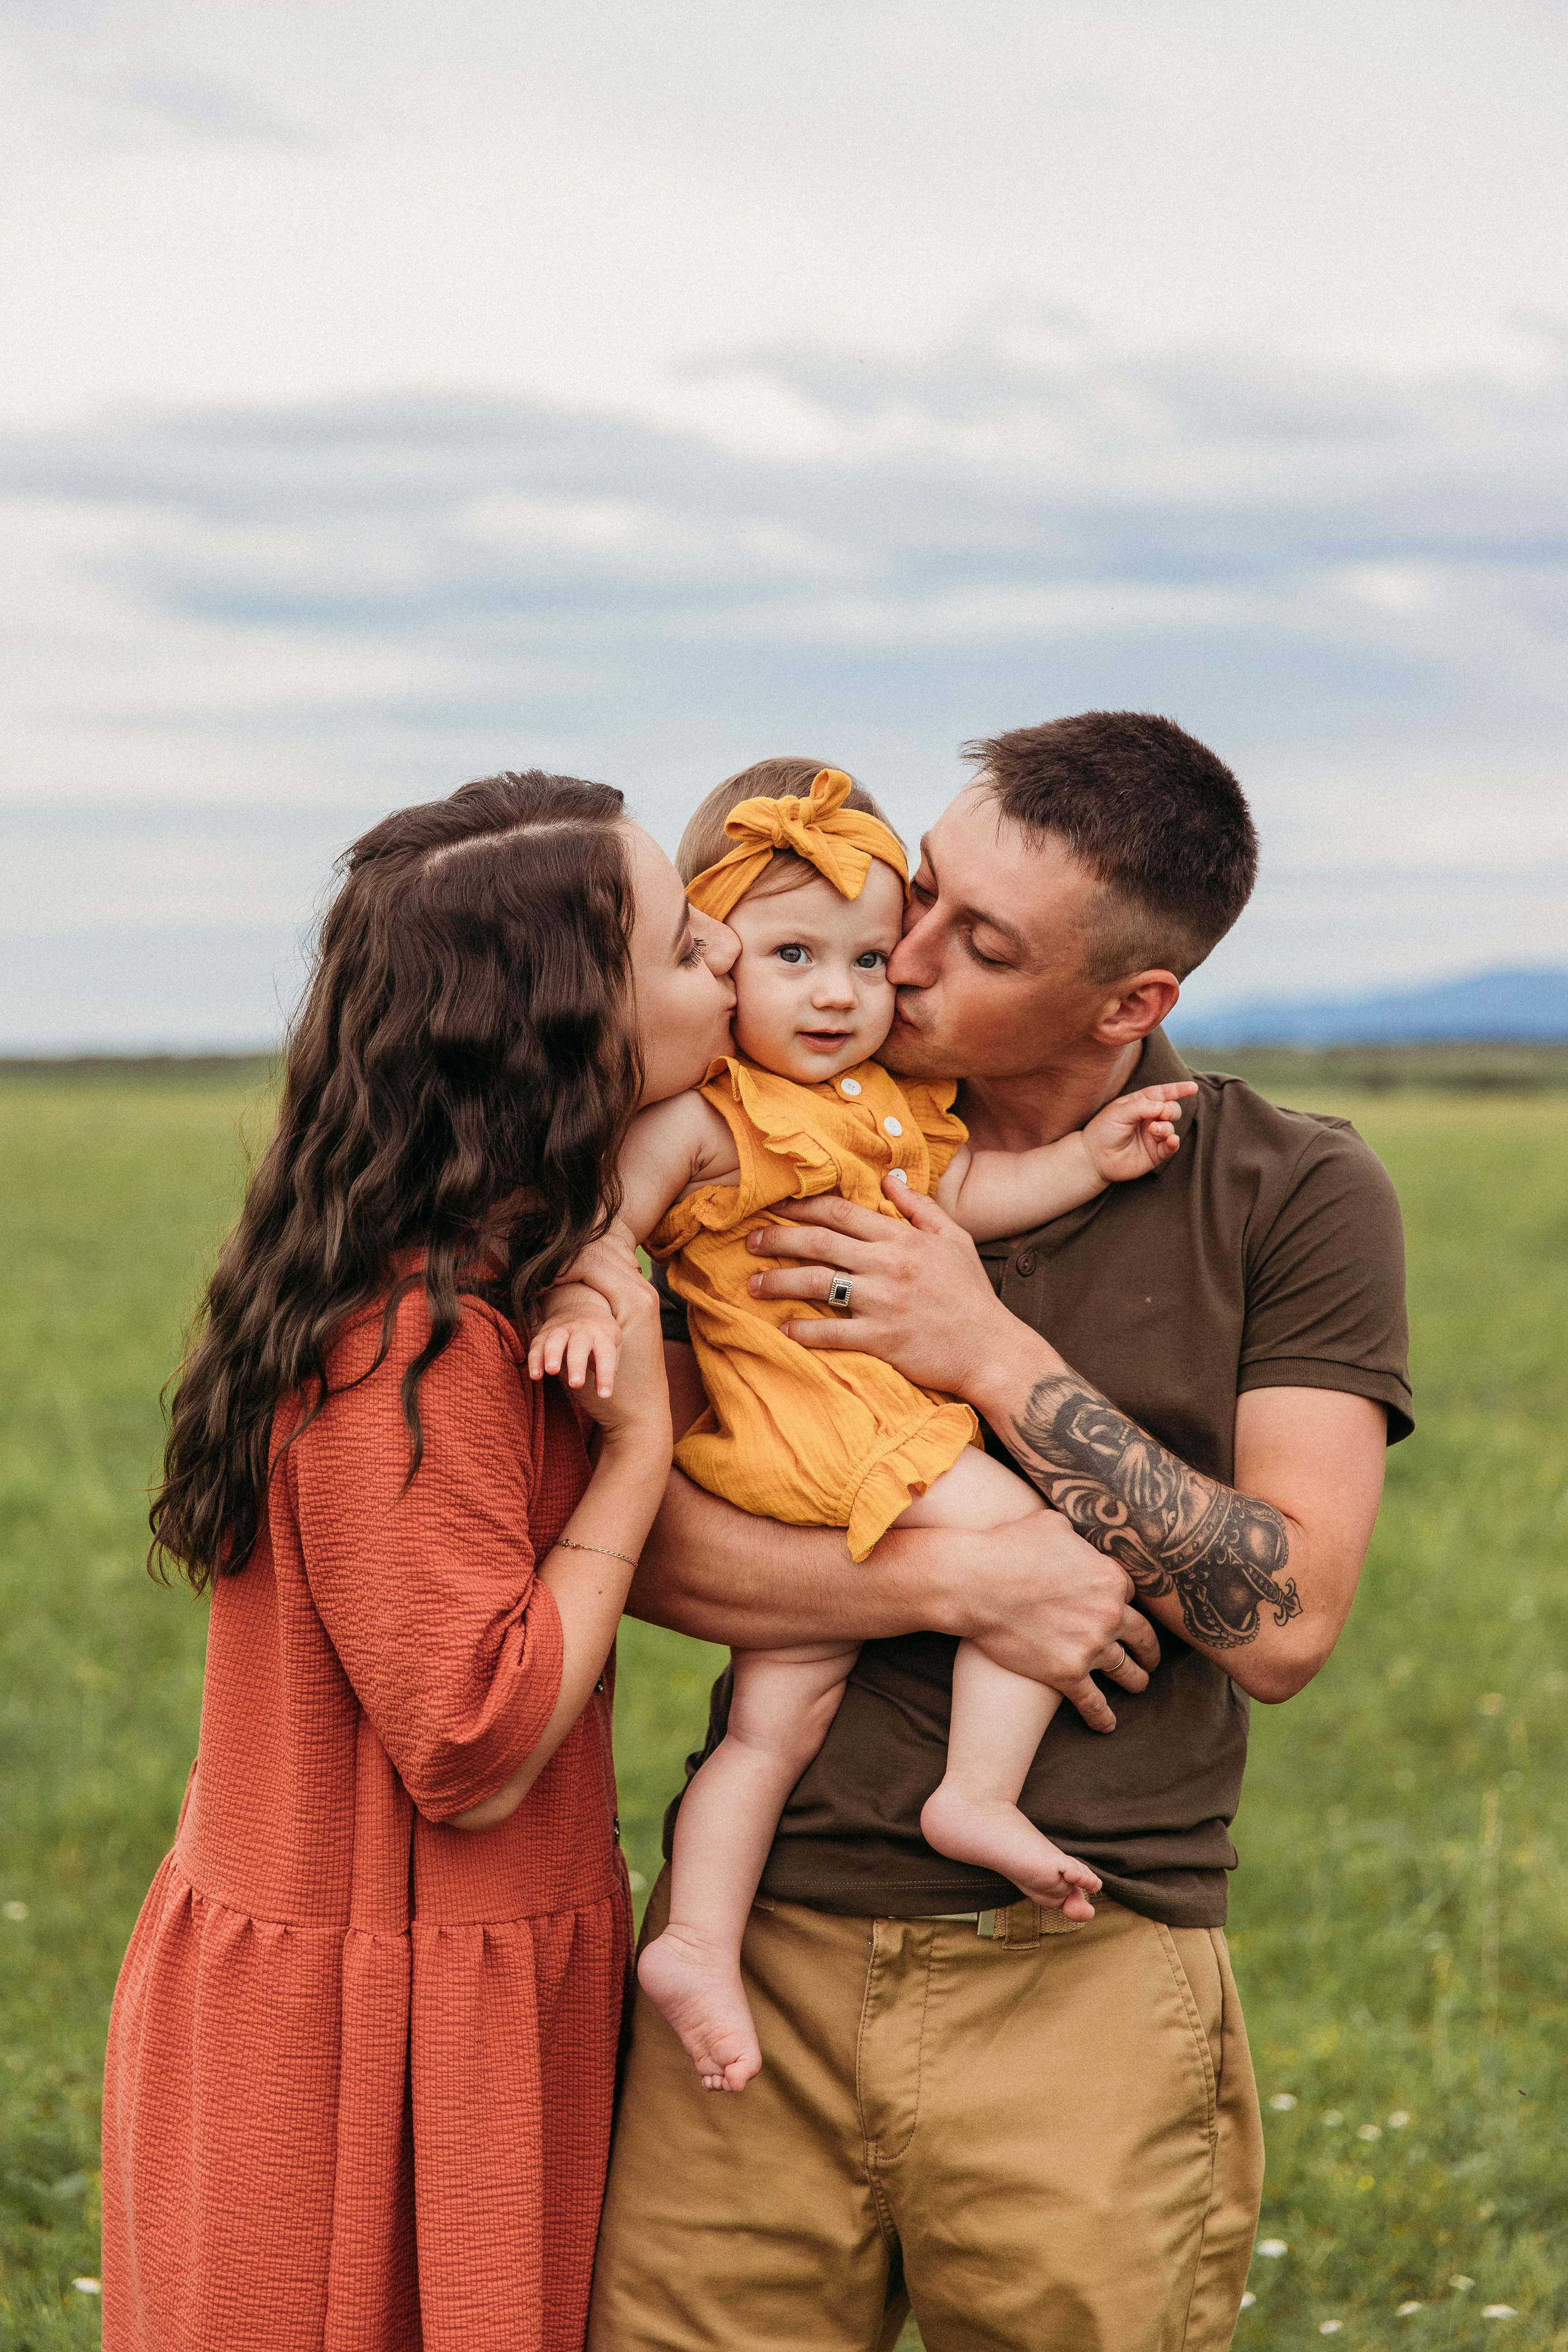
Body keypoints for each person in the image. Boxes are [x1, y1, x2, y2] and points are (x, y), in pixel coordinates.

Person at [586, 718, 1412, 2352]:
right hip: (763, 1954)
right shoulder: (764, 1136)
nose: (901, 952)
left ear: (1130, 1005)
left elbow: (1291, 1623)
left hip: (1089, 1974)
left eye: (983, 942)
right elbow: (651, 1541)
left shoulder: (1289, 1190)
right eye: (926, 892)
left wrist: (989, 1355)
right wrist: (968, 1573)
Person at [102, 771, 740, 2352]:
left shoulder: (514, 1258)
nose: (725, 948)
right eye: (680, 940)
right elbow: (474, 1739)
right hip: (361, 2047)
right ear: (567, 1031)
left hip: (450, 1991)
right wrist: (642, 1454)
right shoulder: (415, 1333)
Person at [535, 764, 1195, 2094]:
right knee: (1043, 1539)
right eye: (789, 957)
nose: (836, 994)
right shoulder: (709, 1116)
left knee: (770, 1728)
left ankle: (694, 1938)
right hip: (828, 1427)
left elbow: (970, 1190)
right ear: (718, 970)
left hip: (824, 1445)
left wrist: (1086, 1160)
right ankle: (975, 1794)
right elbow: (606, 1215)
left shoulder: (884, 1112)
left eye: (861, 960)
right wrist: (584, 1291)